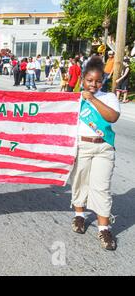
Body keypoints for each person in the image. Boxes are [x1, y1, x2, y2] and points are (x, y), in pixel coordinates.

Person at [70, 56, 120, 251]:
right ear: (83, 79)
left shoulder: (109, 98)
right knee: (79, 182)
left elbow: (112, 117)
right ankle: (80, 216)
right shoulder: (74, 99)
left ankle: (104, 227)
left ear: (103, 81)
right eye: (89, 80)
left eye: (98, 81)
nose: (93, 84)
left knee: (102, 188)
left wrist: (92, 98)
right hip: (82, 146)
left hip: (103, 148)